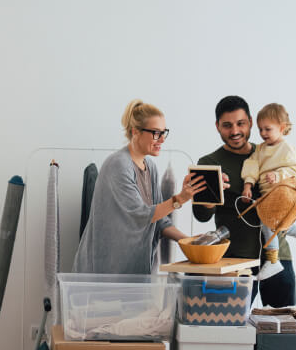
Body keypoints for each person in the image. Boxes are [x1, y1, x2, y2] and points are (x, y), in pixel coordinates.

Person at [73, 99, 207, 274]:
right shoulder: (118, 165)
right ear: (135, 131)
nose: (162, 140)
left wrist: (190, 242)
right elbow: (141, 216)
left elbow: (159, 220)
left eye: (164, 133)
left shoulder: (150, 167)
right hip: (105, 271)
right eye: (155, 133)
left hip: (134, 270)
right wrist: (179, 199)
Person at [192, 95, 296, 307]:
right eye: (227, 125)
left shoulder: (271, 153)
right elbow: (201, 215)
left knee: (281, 335)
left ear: (250, 121)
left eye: (241, 123)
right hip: (233, 260)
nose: (235, 131)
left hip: (278, 257)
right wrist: (212, 195)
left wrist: (286, 203)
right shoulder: (209, 163)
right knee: (231, 333)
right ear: (217, 127)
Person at [241, 103, 296, 281]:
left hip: (281, 194)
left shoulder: (286, 148)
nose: (263, 133)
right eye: (260, 129)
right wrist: (248, 185)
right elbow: (252, 165)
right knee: (281, 226)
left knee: (268, 224)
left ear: (282, 127)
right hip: (266, 196)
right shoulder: (261, 149)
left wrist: (278, 175)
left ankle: (273, 261)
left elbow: (294, 168)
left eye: (268, 129)